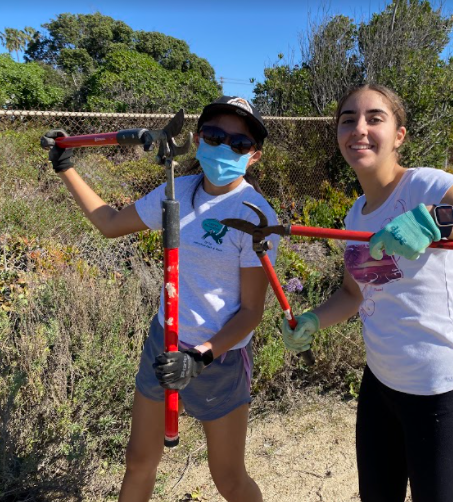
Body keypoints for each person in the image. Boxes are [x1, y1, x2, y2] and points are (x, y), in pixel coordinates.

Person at [280, 84, 453, 502]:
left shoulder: (425, 187)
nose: (359, 129)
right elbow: (354, 294)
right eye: (348, 120)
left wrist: (436, 220)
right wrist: (313, 319)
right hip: (380, 387)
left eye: (374, 118)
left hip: (442, 392)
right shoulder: (356, 213)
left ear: (399, 136)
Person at [42, 96, 278, 502]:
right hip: (163, 341)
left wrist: (199, 356)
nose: (225, 147)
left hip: (217, 359)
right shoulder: (178, 190)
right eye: (215, 135)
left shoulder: (256, 214)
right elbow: (110, 223)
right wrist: (67, 168)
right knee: (139, 460)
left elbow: (252, 312)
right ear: (197, 138)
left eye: (239, 144)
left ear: (253, 156)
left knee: (228, 478)